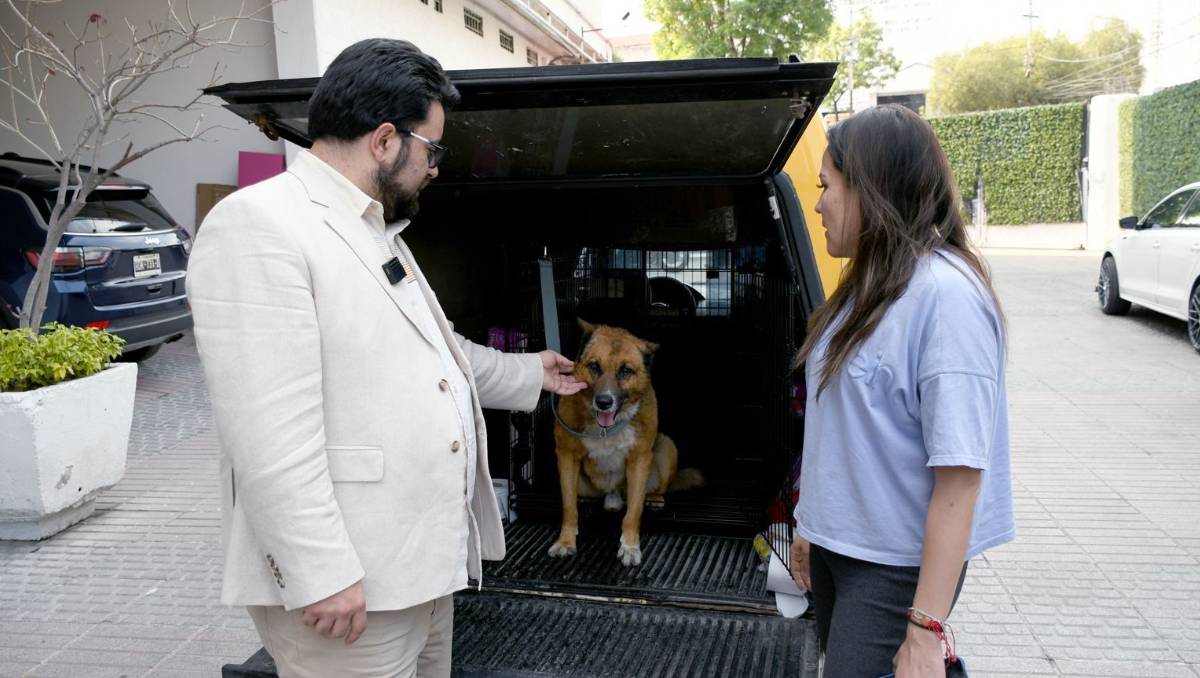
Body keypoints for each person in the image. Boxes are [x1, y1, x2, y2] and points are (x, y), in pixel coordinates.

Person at [187, 39, 584, 677]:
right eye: (433, 149)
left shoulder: (371, 228)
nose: (434, 167)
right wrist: (321, 573)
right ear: (383, 140)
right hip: (350, 590)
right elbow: (266, 432)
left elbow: (437, 352)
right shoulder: (259, 225)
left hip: (416, 571)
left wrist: (529, 371)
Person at [788, 104, 1014, 678]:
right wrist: (813, 528)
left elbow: (961, 477)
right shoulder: (871, 282)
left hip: (893, 566)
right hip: (844, 550)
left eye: (827, 187)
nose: (817, 205)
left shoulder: (945, 298)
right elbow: (846, 433)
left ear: (872, 189)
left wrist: (926, 629)